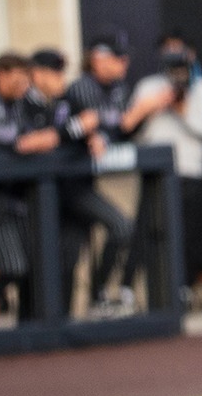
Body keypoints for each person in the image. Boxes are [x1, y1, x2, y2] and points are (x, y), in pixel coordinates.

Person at [129, 31, 202, 306]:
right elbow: (136, 133)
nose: (174, 57)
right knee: (147, 230)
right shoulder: (148, 87)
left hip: (189, 170)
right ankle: (133, 290)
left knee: (184, 232)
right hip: (154, 171)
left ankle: (183, 289)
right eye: (168, 51)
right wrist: (155, 106)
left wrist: (182, 108)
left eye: (179, 51)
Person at [61, 36, 146, 316]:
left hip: (86, 181)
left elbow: (120, 129)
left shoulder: (119, 89)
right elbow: (92, 129)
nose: (125, 63)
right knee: (114, 229)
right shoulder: (81, 88)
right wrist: (102, 134)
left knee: (75, 254)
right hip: (64, 184)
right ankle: (90, 301)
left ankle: (92, 301)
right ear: (98, 58)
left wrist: (136, 117)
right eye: (118, 58)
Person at [0, 53, 53, 317]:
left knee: (21, 267)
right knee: (11, 266)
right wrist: (17, 143)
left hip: (12, 202)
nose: (23, 85)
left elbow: (45, 128)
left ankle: (27, 325)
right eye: (18, 79)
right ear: (1, 74)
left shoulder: (25, 104)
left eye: (26, 79)